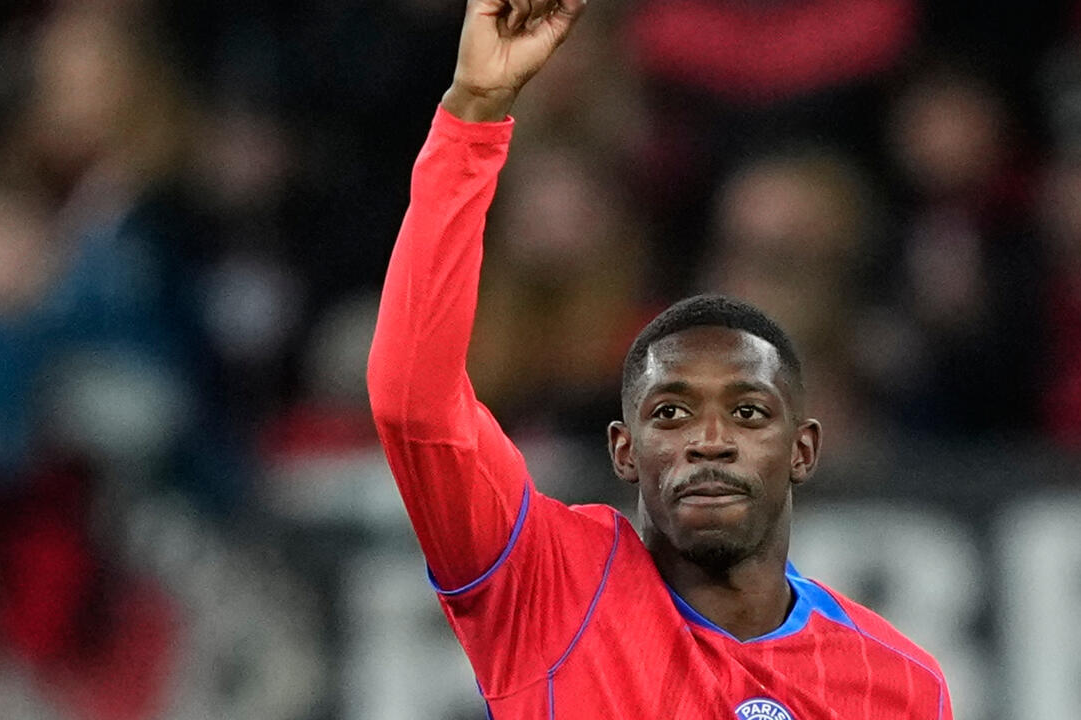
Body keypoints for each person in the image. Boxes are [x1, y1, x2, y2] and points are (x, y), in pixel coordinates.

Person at [366, 0, 954, 716]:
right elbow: (413, 403)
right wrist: (473, 114)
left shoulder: (897, 685)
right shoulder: (546, 584)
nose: (710, 442)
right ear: (625, 449)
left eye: (747, 412)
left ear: (803, 449)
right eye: (671, 412)